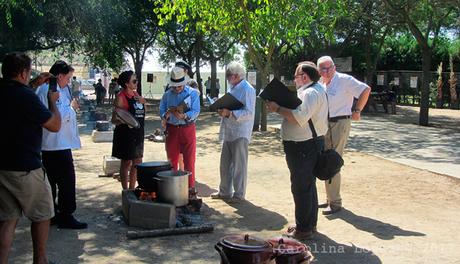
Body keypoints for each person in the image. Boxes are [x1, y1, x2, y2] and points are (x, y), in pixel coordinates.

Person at [0, 52, 61, 264]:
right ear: (23, 72)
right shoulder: (25, 97)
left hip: (3, 167)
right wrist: (53, 102)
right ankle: (40, 259)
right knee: (43, 214)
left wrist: (34, 84)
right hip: (26, 167)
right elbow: (54, 125)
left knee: (7, 219)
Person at [266, 62, 328, 240]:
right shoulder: (316, 90)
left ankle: (303, 228)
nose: (294, 79)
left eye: (296, 76)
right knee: (308, 185)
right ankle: (308, 224)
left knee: (301, 187)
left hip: (303, 145)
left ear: (305, 77)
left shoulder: (310, 93)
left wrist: (277, 108)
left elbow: (298, 118)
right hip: (306, 144)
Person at [35, 60, 87, 229]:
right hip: (54, 144)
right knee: (65, 181)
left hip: (60, 143)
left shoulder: (62, 90)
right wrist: (71, 108)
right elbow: (57, 115)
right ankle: (64, 214)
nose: (69, 81)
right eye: (68, 78)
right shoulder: (48, 90)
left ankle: (55, 213)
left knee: (55, 180)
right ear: (59, 76)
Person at [317, 56, 371, 215]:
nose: (325, 71)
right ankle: (330, 198)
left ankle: (335, 202)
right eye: (322, 69)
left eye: (328, 68)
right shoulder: (321, 83)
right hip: (325, 124)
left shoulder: (344, 80)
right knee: (325, 160)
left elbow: (365, 90)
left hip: (340, 123)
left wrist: (357, 110)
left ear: (334, 67)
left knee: (332, 160)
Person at [210, 62, 256, 202]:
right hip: (229, 131)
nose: (227, 78)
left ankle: (239, 194)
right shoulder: (233, 88)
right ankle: (224, 192)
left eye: (228, 75)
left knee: (239, 166)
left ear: (236, 75)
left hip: (240, 132)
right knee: (225, 165)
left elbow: (249, 113)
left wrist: (230, 113)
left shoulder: (247, 89)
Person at [160, 67, 200, 197]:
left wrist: (184, 116)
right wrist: (165, 115)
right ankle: (173, 190)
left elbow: (196, 111)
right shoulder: (167, 95)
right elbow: (161, 109)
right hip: (172, 130)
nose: (177, 89)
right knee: (172, 161)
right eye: (175, 86)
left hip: (187, 128)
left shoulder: (193, 93)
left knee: (189, 160)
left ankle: (190, 189)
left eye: (179, 86)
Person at [111, 71, 146, 190]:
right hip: (125, 135)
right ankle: (125, 190)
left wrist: (143, 102)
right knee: (126, 163)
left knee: (137, 163)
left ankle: (132, 189)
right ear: (126, 84)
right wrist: (126, 121)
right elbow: (114, 119)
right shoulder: (120, 97)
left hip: (138, 134)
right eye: (134, 81)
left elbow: (142, 111)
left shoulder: (136, 94)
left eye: (136, 80)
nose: (136, 83)